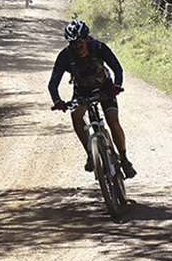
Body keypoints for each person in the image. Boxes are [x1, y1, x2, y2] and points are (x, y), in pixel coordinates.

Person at [48, 20, 137, 178]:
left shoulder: (98, 47)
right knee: (75, 115)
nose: (77, 47)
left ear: (87, 39)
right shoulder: (65, 56)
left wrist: (117, 86)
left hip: (105, 87)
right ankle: (90, 153)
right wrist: (57, 101)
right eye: (73, 43)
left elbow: (117, 68)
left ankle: (124, 159)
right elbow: (53, 84)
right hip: (81, 91)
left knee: (113, 122)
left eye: (80, 42)